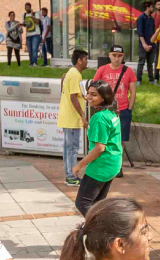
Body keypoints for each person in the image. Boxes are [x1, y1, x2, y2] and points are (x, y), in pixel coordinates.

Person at [72, 81, 124, 215]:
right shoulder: (111, 112)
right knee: (97, 204)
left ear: (104, 97)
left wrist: (79, 165)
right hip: (113, 164)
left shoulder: (99, 118)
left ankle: (103, 228)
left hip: (101, 166)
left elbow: (99, 148)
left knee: (83, 203)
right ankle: (99, 229)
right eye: (88, 93)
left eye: (93, 94)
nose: (88, 97)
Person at [94, 46, 138, 168]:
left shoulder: (128, 71)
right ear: (109, 55)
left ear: (123, 56)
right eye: (114, 55)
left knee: (119, 140)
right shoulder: (102, 70)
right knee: (104, 139)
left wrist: (129, 107)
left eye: (119, 56)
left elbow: (133, 91)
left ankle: (117, 166)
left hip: (123, 110)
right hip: (106, 110)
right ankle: (105, 163)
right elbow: (94, 88)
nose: (117, 58)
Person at [60, 49, 89, 186]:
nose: (87, 62)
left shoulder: (70, 73)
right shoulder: (75, 74)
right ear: (80, 60)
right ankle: (71, 176)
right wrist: (83, 116)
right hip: (72, 119)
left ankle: (69, 175)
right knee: (72, 149)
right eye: (86, 59)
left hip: (67, 117)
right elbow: (73, 97)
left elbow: (71, 93)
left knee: (68, 148)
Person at [135, 1, 160, 85]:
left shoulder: (151, 19)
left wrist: (154, 43)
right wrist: (144, 44)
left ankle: (151, 80)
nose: (153, 9)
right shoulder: (141, 18)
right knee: (141, 62)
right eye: (151, 7)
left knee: (150, 64)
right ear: (147, 8)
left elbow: (153, 32)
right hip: (143, 44)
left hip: (152, 44)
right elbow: (139, 32)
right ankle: (138, 80)